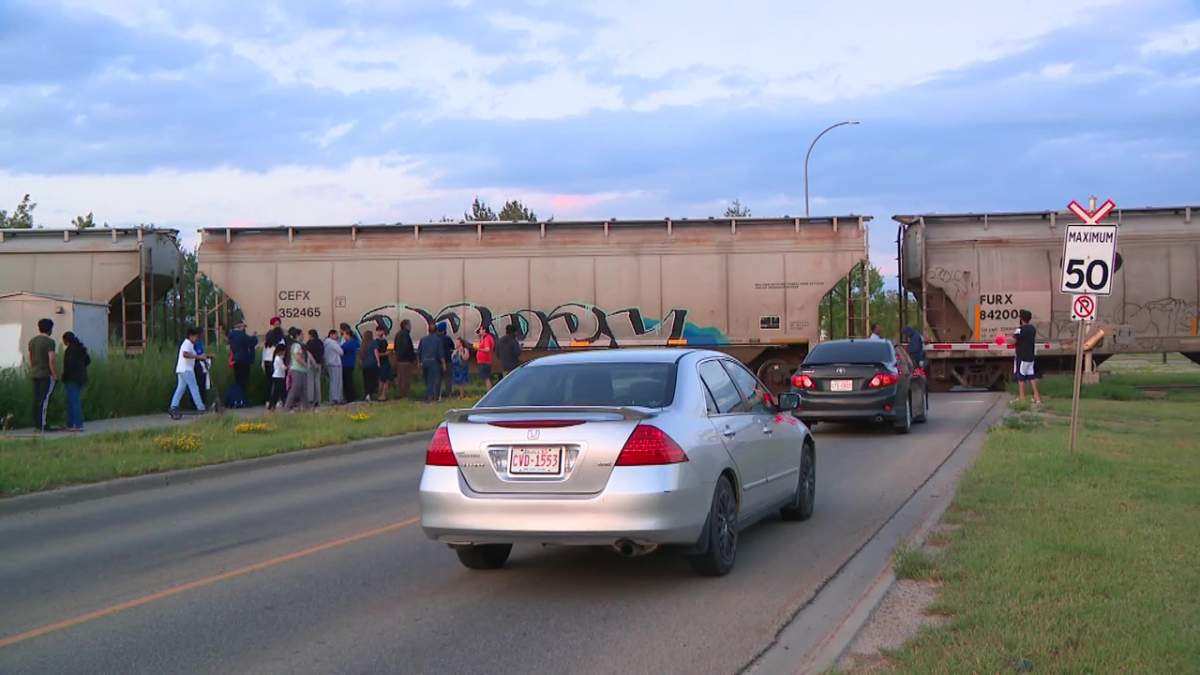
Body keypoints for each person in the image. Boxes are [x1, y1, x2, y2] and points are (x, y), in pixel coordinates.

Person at [170, 327, 211, 416]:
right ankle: (200, 407)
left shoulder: (190, 345)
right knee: (194, 388)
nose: (196, 339)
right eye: (195, 337)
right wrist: (199, 357)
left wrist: (206, 356)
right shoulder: (187, 343)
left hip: (181, 369)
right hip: (186, 370)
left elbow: (194, 354)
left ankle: (173, 406)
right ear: (191, 336)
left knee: (180, 388)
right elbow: (185, 354)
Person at [28, 318, 58, 432]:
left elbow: (30, 357)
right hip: (45, 374)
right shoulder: (50, 342)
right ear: (50, 329)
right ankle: (42, 424)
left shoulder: (32, 341)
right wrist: (54, 374)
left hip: (35, 373)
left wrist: (33, 368)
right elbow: (51, 360)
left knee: (36, 399)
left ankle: (36, 423)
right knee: (44, 399)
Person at [61, 331, 91, 432]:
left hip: (71, 378)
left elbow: (68, 366)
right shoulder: (80, 348)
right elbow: (88, 360)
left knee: (73, 402)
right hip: (81, 377)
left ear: (66, 340)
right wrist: (81, 368)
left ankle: (76, 425)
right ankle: (72, 424)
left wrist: (64, 377)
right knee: (74, 401)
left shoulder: (69, 350)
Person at [1011, 309, 1042, 405]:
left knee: (1021, 378)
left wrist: (1002, 339)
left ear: (1021, 318)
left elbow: (1013, 341)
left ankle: (1022, 398)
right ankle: (1037, 399)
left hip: (1022, 357)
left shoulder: (1019, 329)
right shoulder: (1032, 329)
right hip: (1030, 357)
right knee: (1031, 377)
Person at [227, 320, 257, 408]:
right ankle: (242, 401)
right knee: (244, 382)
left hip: (236, 360)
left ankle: (238, 400)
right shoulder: (241, 335)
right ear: (239, 327)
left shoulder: (232, 336)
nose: (244, 328)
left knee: (238, 381)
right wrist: (254, 336)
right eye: (243, 327)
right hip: (244, 361)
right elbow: (252, 342)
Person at [284, 327, 311, 411]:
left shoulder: (300, 345)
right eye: (302, 334)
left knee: (303, 389)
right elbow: (297, 357)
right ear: (297, 335)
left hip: (301, 370)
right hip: (297, 369)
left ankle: (306, 407)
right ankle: (287, 407)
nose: (303, 336)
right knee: (295, 388)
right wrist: (305, 364)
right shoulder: (297, 345)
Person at [418, 322, 446, 403]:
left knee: (427, 380)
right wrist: (443, 364)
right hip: (434, 362)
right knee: (434, 380)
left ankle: (428, 395)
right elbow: (440, 353)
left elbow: (419, 351)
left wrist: (419, 362)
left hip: (424, 362)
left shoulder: (423, 340)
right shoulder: (438, 340)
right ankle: (433, 397)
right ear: (436, 331)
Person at [393, 319, 417, 400]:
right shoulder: (406, 335)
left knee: (400, 378)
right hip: (406, 360)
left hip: (399, 359)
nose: (411, 326)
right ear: (406, 325)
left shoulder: (398, 334)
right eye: (410, 325)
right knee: (406, 378)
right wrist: (412, 358)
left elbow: (395, 347)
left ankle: (401, 393)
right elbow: (408, 347)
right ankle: (405, 395)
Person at [323, 329, 345, 404]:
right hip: (335, 363)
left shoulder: (325, 343)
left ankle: (333, 397)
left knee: (332, 381)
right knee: (337, 381)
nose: (337, 336)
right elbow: (341, 352)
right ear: (331, 335)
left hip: (329, 363)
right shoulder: (333, 343)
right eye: (335, 334)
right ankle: (337, 398)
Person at [340, 323, 360, 402]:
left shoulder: (349, 343)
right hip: (350, 363)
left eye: (344, 334)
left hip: (346, 364)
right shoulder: (354, 342)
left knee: (347, 381)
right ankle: (350, 396)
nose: (344, 336)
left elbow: (341, 349)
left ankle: (350, 397)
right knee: (349, 380)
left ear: (348, 335)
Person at [305, 329, 325, 407]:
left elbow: (307, 353)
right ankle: (318, 399)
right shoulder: (320, 342)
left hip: (311, 364)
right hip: (319, 363)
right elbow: (323, 352)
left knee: (310, 381)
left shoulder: (309, 343)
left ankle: (311, 399)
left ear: (311, 335)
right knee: (317, 381)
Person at [262, 316, 284, 381]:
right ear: (271, 325)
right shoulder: (278, 335)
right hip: (273, 361)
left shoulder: (269, 335)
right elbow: (265, 349)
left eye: (278, 324)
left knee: (271, 382)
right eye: (275, 324)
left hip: (269, 360)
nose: (277, 326)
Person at [267, 343, 288, 411]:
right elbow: (283, 367)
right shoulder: (278, 359)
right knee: (280, 392)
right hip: (278, 377)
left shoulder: (279, 358)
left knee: (276, 392)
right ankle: (283, 404)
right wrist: (288, 367)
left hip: (280, 377)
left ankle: (272, 405)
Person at [360, 329, 378, 402]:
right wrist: (378, 362)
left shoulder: (363, 344)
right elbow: (376, 352)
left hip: (365, 365)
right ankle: (370, 394)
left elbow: (361, 355)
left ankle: (366, 394)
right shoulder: (373, 343)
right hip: (372, 364)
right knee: (372, 380)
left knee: (366, 380)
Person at [475, 326, 496, 390]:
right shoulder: (484, 338)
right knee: (486, 377)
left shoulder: (487, 338)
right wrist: (480, 337)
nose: (480, 331)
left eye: (481, 330)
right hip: (483, 361)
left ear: (484, 330)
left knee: (486, 378)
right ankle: (489, 390)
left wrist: (479, 348)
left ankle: (489, 392)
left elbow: (487, 349)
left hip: (485, 361)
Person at [375, 331, 393, 402]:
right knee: (381, 380)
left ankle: (384, 395)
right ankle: (380, 395)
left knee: (386, 379)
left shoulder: (385, 341)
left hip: (386, 362)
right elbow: (377, 354)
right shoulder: (376, 342)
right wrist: (385, 354)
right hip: (381, 362)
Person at [438, 323, 455, 400]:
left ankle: (439, 394)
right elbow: (452, 347)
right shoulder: (448, 339)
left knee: (438, 379)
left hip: (438, 362)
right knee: (448, 379)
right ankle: (449, 394)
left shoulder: (436, 339)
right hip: (448, 361)